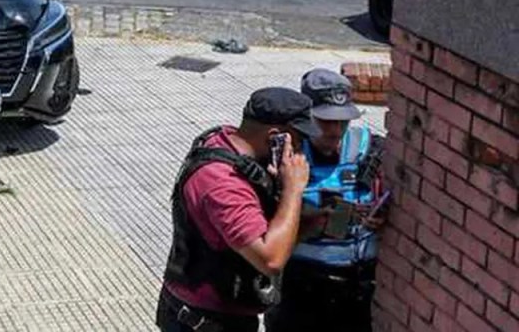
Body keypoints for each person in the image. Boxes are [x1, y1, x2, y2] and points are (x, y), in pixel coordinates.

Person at [156, 87, 316, 332]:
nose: (301, 148)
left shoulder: (228, 141)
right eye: (298, 139)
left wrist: (310, 224)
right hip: (205, 322)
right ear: (275, 137)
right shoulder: (224, 184)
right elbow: (270, 260)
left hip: (206, 312)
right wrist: (292, 190)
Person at [264, 69, 387, 332]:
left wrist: (382, 217)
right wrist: (316, 220)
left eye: (342, 121)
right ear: (306, 116)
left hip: (357, 289)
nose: (335, 130)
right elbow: (262, 230)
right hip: (299, 287)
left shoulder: (375, 150)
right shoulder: (282, 156)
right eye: (326, 121)